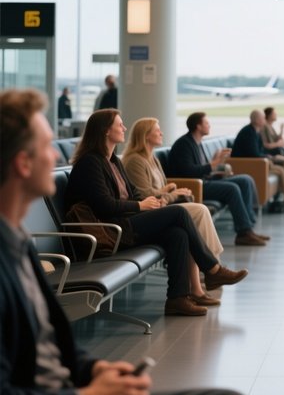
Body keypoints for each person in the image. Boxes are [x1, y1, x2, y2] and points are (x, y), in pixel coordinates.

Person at [0, 88, 257, 395]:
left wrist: (93, 370)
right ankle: (208, 272)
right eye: (47, 146)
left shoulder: (16, 244)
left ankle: (193, 285)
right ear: (22, 163)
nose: (56, 157)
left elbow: (50, 343)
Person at [65, 110, 248, 316]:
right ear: (106, 131)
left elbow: (132, 193)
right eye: (120, 124)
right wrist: (140, 206)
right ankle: (213, 270)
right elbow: (104, 206)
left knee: (177, 234)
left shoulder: (113, 161)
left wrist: (144, 203)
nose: (124, 128)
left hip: (124, 222)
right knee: (179, 213)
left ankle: (177, 299)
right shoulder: (90, 163)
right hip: (110, 230)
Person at [122, 117, 226, 306]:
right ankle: (213, 269)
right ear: (146, 136)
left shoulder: (151, 158)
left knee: (186, 227)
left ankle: (202, 282)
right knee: (200, 211)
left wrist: (170, 191)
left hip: (161, 208)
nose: (161, 133)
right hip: (150, 213)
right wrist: (172, 193)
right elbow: (146, 197)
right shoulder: (135, 161)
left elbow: (158, 191)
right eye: (157, 130)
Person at [168, 112, 265, 246]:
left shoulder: (197, 143)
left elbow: (202, 169)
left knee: (245, 180)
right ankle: (243, 233)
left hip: (204, 181)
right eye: (206, 123)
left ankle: (249, 227)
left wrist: (216, 169)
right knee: (232, 189)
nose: (209, 126)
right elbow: (189, 172)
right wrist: (214, 163)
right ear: (198, 126)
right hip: (195, 186)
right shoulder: (184, 145)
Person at [231, 110, 284, 208]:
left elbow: (260, 151)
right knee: (280, 170)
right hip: (248, 165)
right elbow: (253, 154)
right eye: (263, 118)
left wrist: (268, 157)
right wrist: (268, 158)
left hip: (258, 162)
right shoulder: (248, 133)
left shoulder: (256, 131)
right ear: (256, 120)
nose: (265, 120)